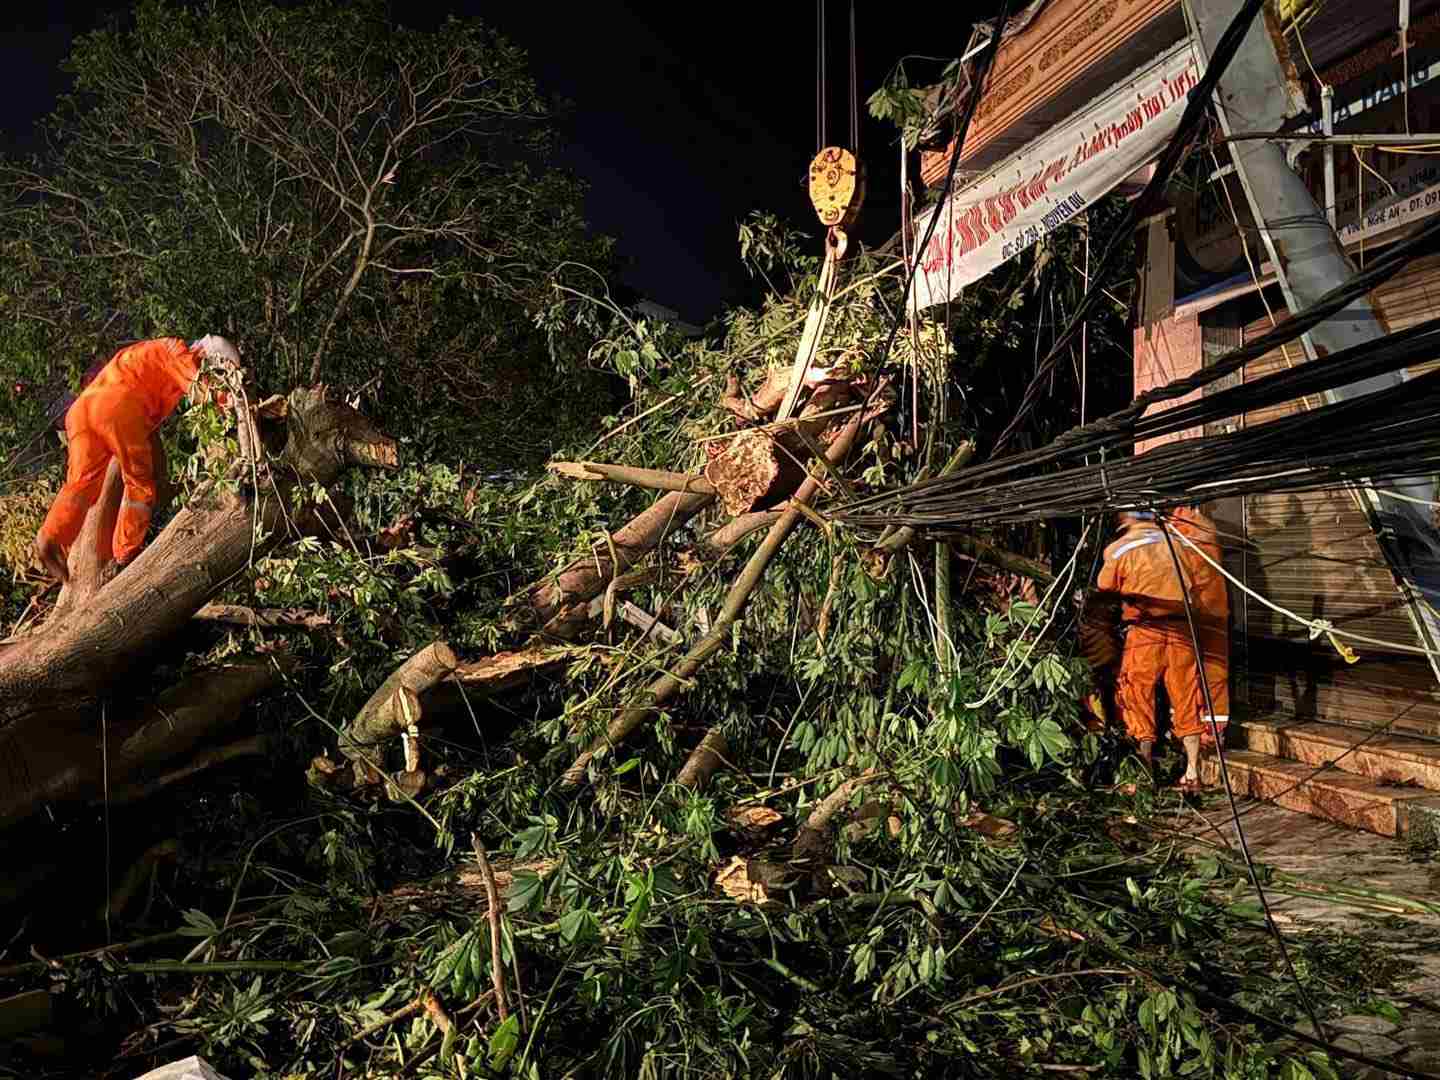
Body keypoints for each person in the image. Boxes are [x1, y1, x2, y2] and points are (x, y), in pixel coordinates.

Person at [34, 335, 242, 584]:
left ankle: (50, 537)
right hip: (118, 412)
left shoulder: (149, 353)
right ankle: (125, 552)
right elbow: (202, 390)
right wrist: (237, 402)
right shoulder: (179, 352)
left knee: (81, 483)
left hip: (82, 412)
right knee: (140, 482)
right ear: (209, 358)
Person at [1094, 507, 1230, 790]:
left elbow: (1104, 585)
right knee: (1186, 695)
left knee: (1137, 694)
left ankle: (1144, 774)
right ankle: (1193, 772)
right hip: (1183, 632)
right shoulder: (1177, 543)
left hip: (1145, 631)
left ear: (1125, 520)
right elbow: (1193, 586)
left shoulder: (1120, 548)